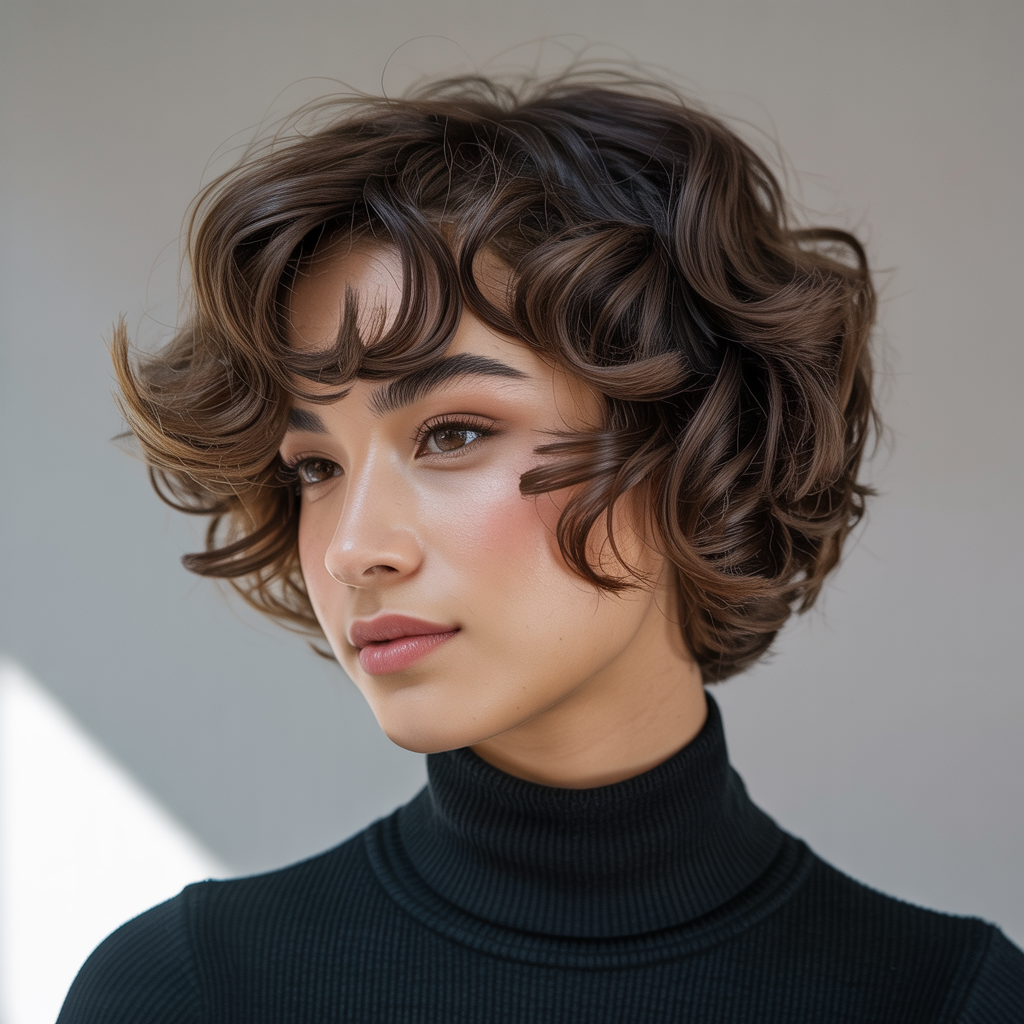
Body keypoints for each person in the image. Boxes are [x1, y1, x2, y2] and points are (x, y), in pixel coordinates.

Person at [58, 70, 1024, 1022]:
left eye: (453, 434)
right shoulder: (185, 993)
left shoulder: (952, 999)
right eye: (315, 467)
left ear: (689, 441)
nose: (353, 549)